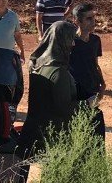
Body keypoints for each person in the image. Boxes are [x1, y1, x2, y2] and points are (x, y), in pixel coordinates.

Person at [16, 21, 77, 161]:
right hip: (53, 135)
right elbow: (63, 107)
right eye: (70, 39)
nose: (73, 44)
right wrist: (87, 103)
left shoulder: (36, 63)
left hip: (33, 129)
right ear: (61, 39)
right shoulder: (57, 71)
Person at [69, 3, 106, 138]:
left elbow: (95, 64)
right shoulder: (70, 41)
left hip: (92, 90)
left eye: (94, 18)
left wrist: (102, 84)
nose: (93, 22)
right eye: (88, 19)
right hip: (76, 93)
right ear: (77, 21)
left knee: (95, 133)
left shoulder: (96, 40)